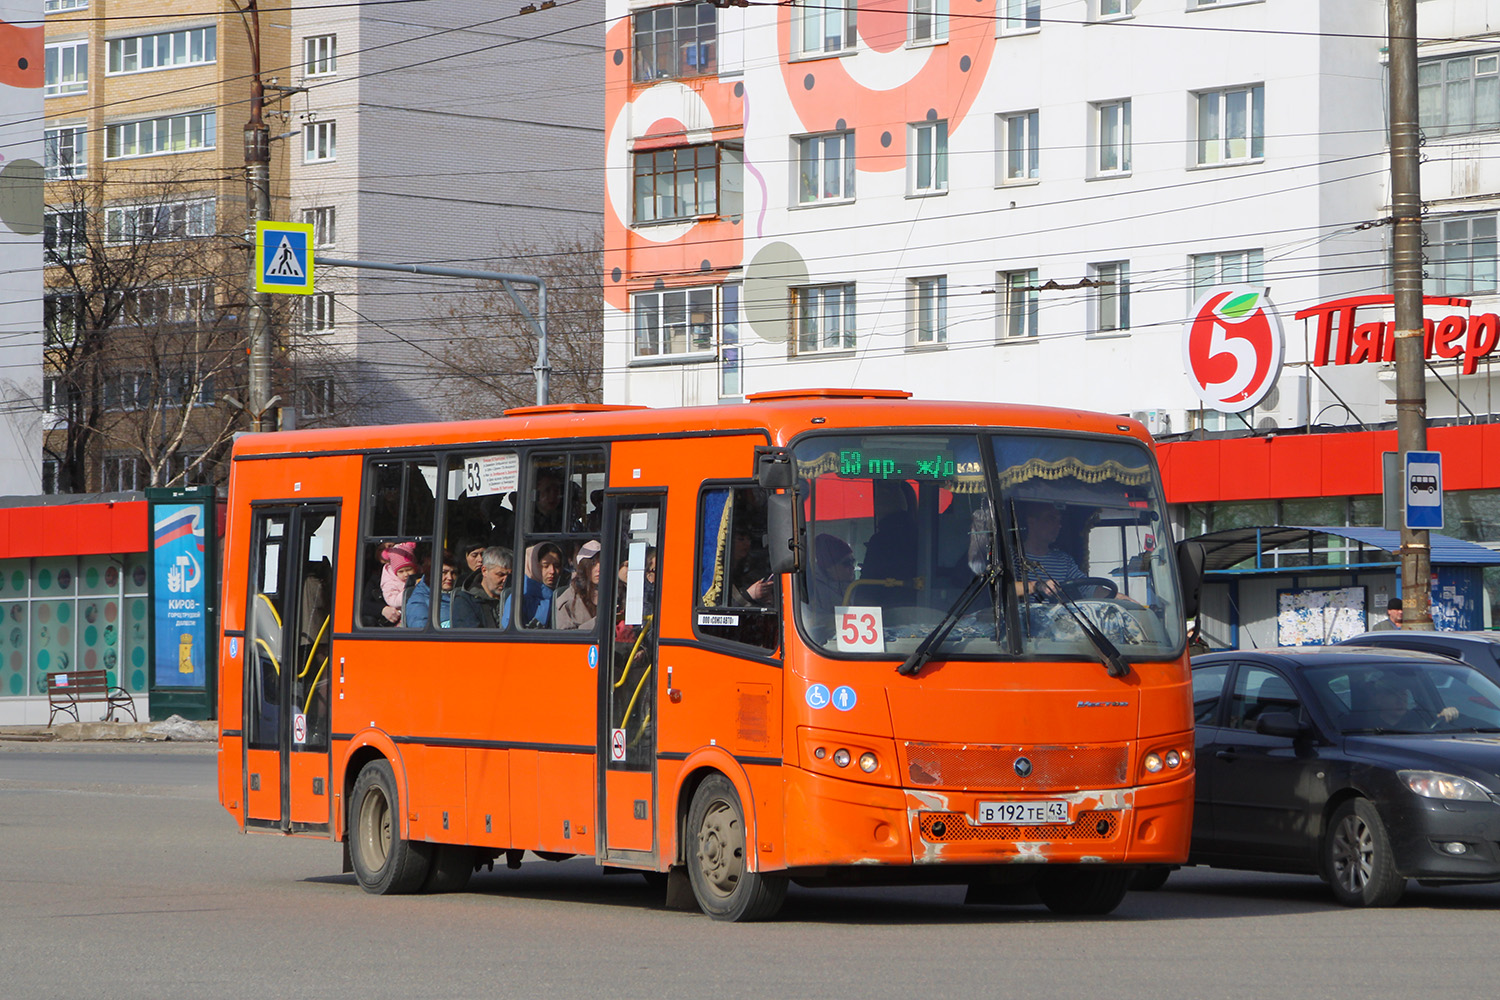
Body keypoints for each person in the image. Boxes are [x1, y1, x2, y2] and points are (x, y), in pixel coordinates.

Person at [451, 546, 512, 628]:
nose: (505, 580)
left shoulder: (513, 598)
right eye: (500, 575)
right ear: (484, 571)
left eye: (509, 575)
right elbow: (470, 637)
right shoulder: (465, 600)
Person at [406, 550, 460, 629]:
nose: (450, 578)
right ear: (431, 574)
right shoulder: (418, 602)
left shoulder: (461, 594)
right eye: (444, 572)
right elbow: (423, 635)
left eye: (453, 573)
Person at [555, 540, 601, 630]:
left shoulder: (614, 594)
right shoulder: (567, 601)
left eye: (602, 563)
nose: (598, 568)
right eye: (593, 564)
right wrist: (602, 620)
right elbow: (566, 638)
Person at [1371, 681, 1458, 729]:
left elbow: (1435, 720)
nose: (1400, 701)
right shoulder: (1367, 724)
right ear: (1378, 700)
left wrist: (1447, 714)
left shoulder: (1417, 717)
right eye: (1393, 695)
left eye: (1404, 695)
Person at [807, 533, 856, 617]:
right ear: (829, 567)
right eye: (847, 563)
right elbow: (814, 621)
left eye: (853, 562)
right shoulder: (813, 591)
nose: (852, 567)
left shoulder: (858, 586)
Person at [517, 542, 564, 628]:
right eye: (545, 566)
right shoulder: (519, 596)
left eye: (556, 566)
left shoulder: (562, 595)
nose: (552, 571)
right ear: (534, 565)